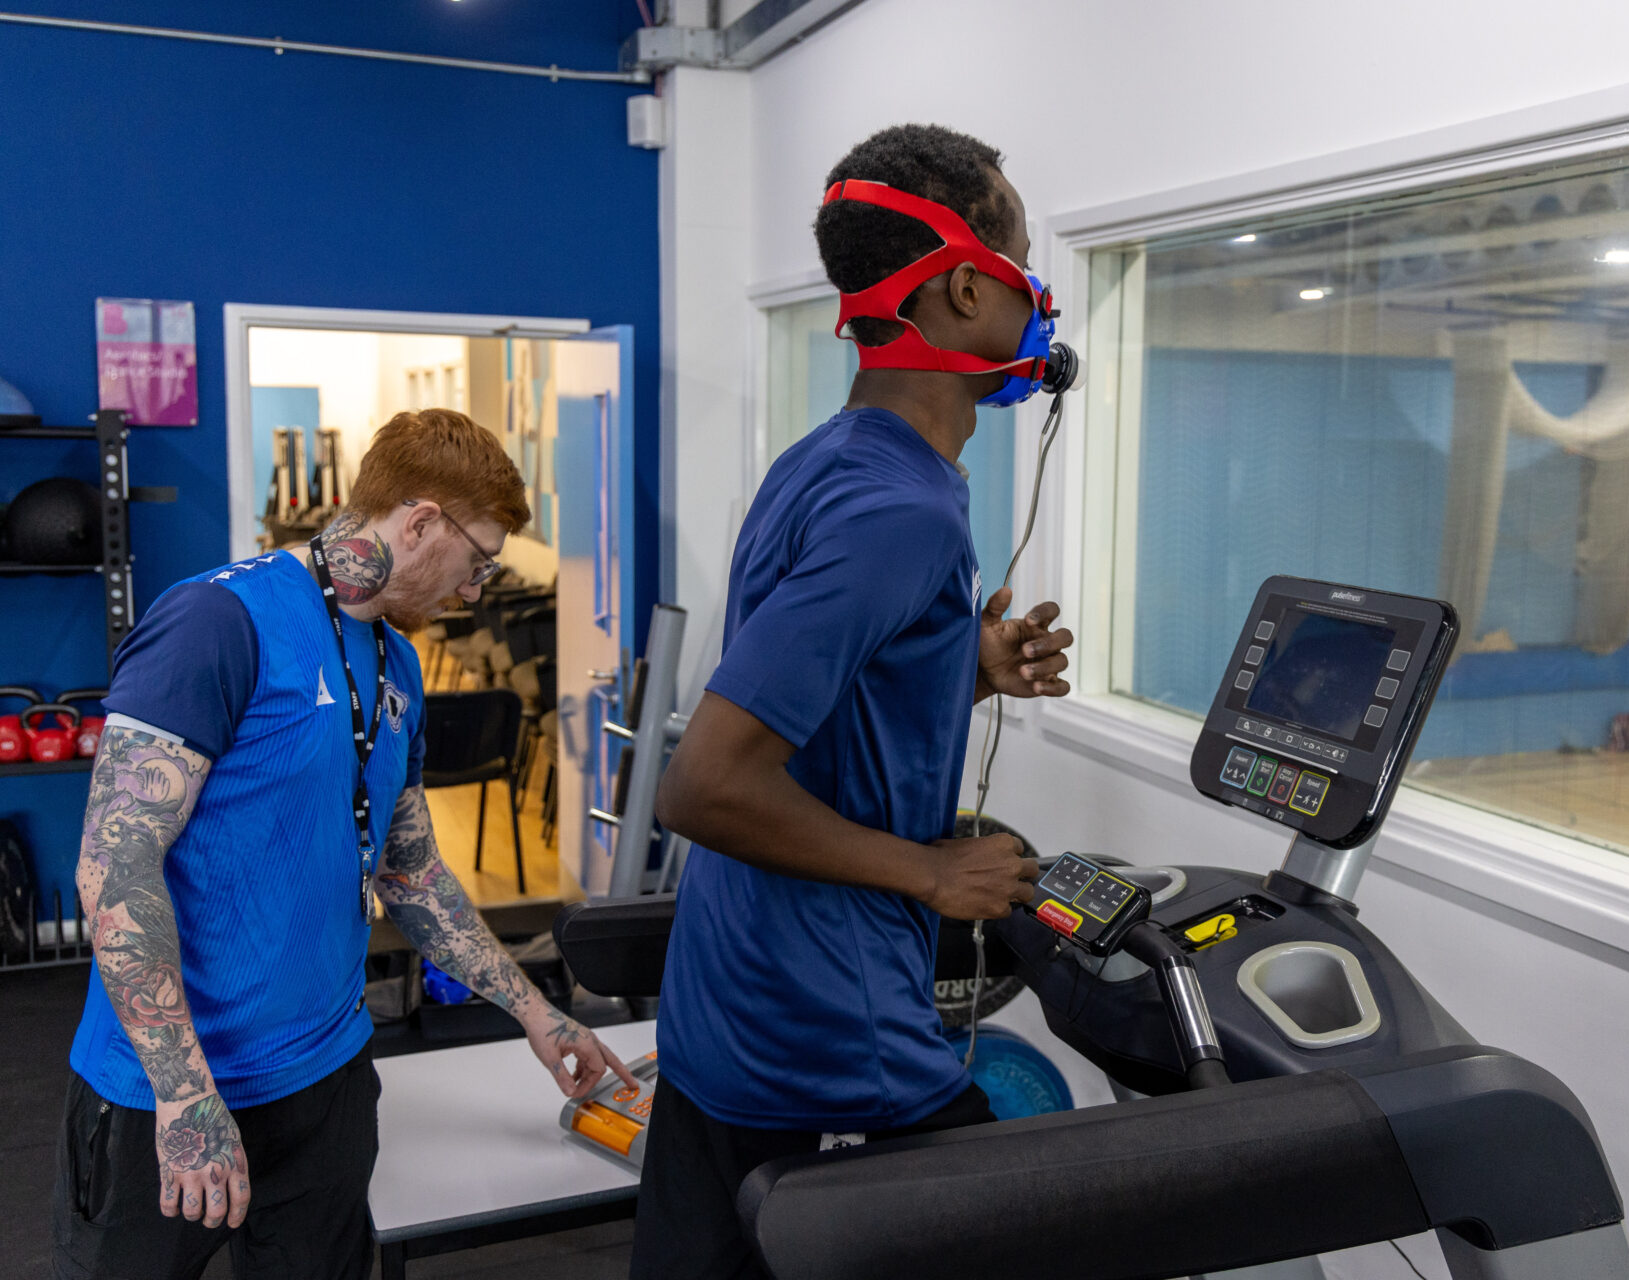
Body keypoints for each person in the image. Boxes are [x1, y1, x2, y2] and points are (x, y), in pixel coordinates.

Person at [53, 408, 639, 1280]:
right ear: (421, 522)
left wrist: (534, 1009)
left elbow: (411, 871)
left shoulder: (396, 665)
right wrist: (183, 1091)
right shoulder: (218, 623)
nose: (477, 591)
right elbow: (115, 865)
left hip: (323, 1082)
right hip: (165, 1089)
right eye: (477, 561)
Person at [635, 124, 1075, 1280]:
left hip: (729, 1001)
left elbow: (817, 699)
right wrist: (935, 873)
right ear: (970, 285)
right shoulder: (905, 513)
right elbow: (707, 781)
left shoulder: (827, 460)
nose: (1041, 298)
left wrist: (960, 664)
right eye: (1026, 263)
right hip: (828, 1033)